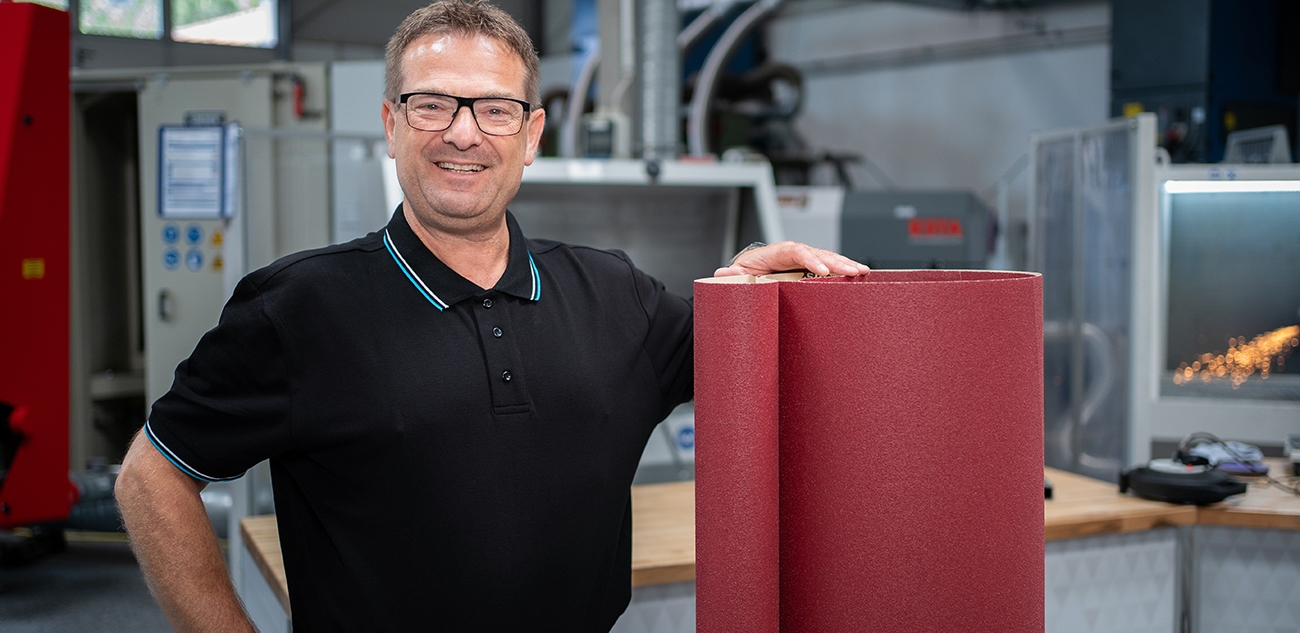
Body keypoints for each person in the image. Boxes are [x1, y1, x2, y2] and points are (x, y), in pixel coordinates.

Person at [114, 1, 869, 631]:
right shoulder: (299, 308)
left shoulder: (617, 295)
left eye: (495, 109)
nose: (464, 132)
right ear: (391, 124)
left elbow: (750, 355)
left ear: (531, 135)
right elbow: (152, 477)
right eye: (432, 104)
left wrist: (749, 284)